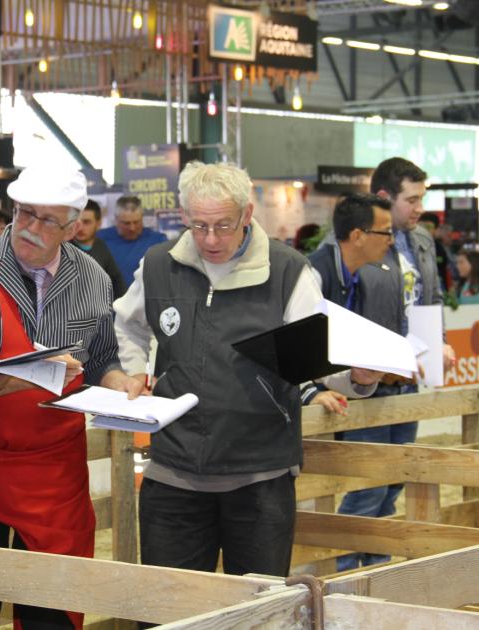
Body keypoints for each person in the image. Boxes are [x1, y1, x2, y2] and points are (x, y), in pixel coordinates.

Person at [0, 165, 142, 630]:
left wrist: (121, 384)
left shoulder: (92, 278)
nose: (30, 227)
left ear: (74, 227)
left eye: (49, 220)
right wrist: (38, 376)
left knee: (55, 614)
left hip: (56, 478)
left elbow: (102, 358)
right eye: (25, 213)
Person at [114, 161, 329, 582]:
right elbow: (127, 323)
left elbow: (319, 354)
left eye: (223, 225)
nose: (210, 239)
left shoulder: (289, 272)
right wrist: (134, 370)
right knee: (167, 608)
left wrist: (356, 379)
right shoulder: (159, 264)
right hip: (172, 472)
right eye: (199, 226)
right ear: (185, 218)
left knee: (258, 613)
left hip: (260, 475)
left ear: (247, 215)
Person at [332, 157, 455, 571]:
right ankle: (348, 569)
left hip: (408, 374)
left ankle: (378, 563)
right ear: (386, 197)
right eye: (412, 199)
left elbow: (429, 300)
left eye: (421, 198)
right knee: (370, 480)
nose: (419, 208)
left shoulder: (421, 241)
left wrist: (439, 342)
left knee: (397, 473)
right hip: (369, 377)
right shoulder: (349, 246)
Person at [306, 192, 396, 412]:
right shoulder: (313, 275)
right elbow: (300, 351)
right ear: (357, 236)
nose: (391, 241)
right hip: (309, 406)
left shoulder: (361, 277)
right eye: (385, 232)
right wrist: (310, 394)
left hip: (334, 400)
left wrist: (360, 374)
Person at [97, 195, 167, 289]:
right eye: (126, 223)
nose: (132, 228)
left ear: (142, 218)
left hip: (146, 300)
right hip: (109, 300)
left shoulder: (158, 241)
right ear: (116, 219)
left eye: (136, 222)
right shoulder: (100, 239)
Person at [72, 199, 125, 298]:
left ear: (98, 224)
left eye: (86, 222)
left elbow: (117, 280)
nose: (80, 227)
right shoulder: (63, 248)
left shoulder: (101, 245)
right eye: (76, 221)